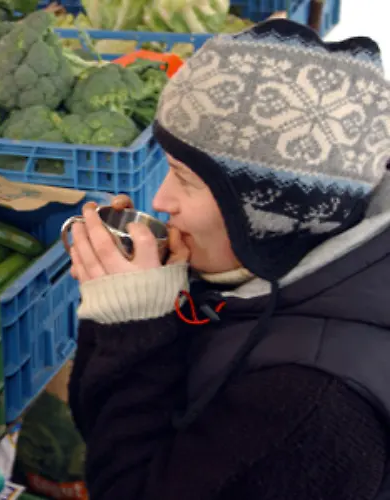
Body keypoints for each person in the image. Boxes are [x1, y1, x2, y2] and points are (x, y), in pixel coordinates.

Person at [67, 18, 390, 500]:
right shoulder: (262, 272)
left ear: (268, 212)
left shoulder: (307, 407)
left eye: (186, 178)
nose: (159, 199)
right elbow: (104, 424)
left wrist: (131, 327)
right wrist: (131, 314)